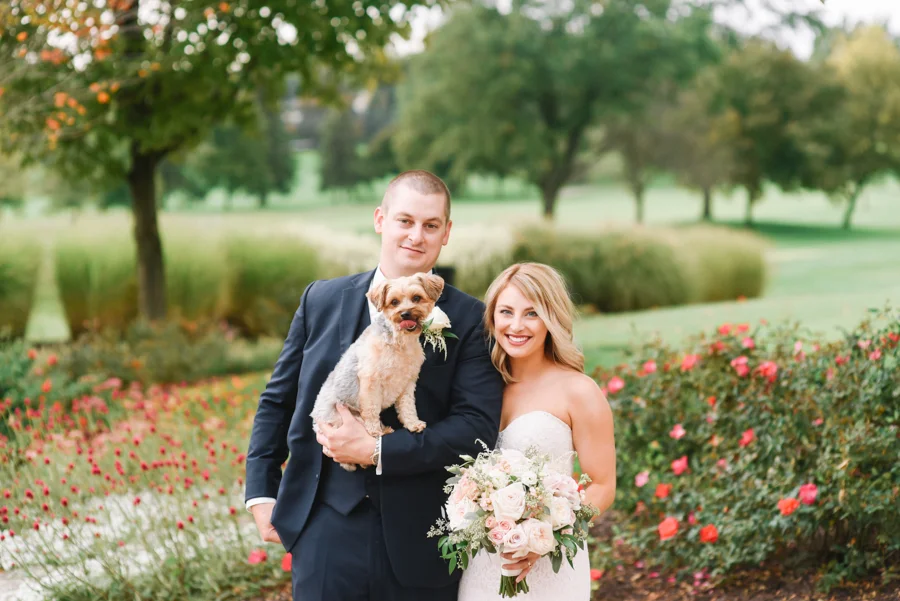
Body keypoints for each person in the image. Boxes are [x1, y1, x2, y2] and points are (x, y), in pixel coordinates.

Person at [244, 170, 504, 601]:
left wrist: (378, 451)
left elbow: (475, 428)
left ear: (446, 233)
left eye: (431, 225)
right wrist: (260, 493)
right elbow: (278, 400)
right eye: (405, 221)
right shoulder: (320, 299)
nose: (416, 236)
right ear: (381, 219)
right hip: (324, 531)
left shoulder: (472, 319)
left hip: (423, 538)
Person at [457, 262, 617, 601]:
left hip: (549, 568)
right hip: (482, 564)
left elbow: (603, 485)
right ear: (492, 317)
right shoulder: (476, 386)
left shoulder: (579, 391)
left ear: (551, 318)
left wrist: (546, 538)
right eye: (506, 312)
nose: (516, 325)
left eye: (531, 313)